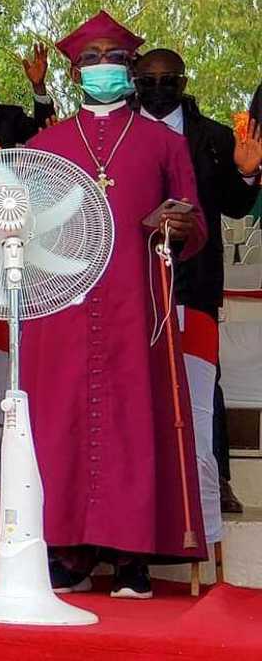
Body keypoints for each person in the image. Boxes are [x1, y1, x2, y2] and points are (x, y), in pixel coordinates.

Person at [23, 11, 208, 599]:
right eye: (93, 59)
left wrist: (176, 225)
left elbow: (195, 221)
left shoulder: (166, 142)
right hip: (64, 305)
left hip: (138, 305)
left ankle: (133, 558)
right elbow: (22, 227)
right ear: (76, 72)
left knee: (135, 421)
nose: (105, 67)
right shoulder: (45, 143)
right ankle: (70, 554)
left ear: (129, 69)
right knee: (64, 424)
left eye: (116, 59)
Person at [134, 48, 262, 525]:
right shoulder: (120, 134)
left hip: (196, 276)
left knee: (203, 377)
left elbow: (234, 205)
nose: (159, 89)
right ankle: (143, 474)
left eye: (169, 80)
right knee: (137, 373)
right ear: (135, 82)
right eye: (149, 80)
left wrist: (248, 171)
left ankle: (215, 478)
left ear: (183, 83)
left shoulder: (213, 137)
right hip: (135, 275)